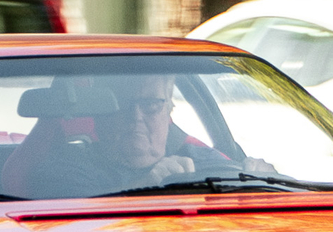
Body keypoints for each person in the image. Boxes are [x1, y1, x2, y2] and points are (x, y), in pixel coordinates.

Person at [19, 74, 210, 197]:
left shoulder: (202, 159)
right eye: (121, 105)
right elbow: (81, 225)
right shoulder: (64, 169)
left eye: (150, 104)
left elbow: (239, 182)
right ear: (100, 116)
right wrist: (149, 186)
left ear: (168, 109)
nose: (136, 117)